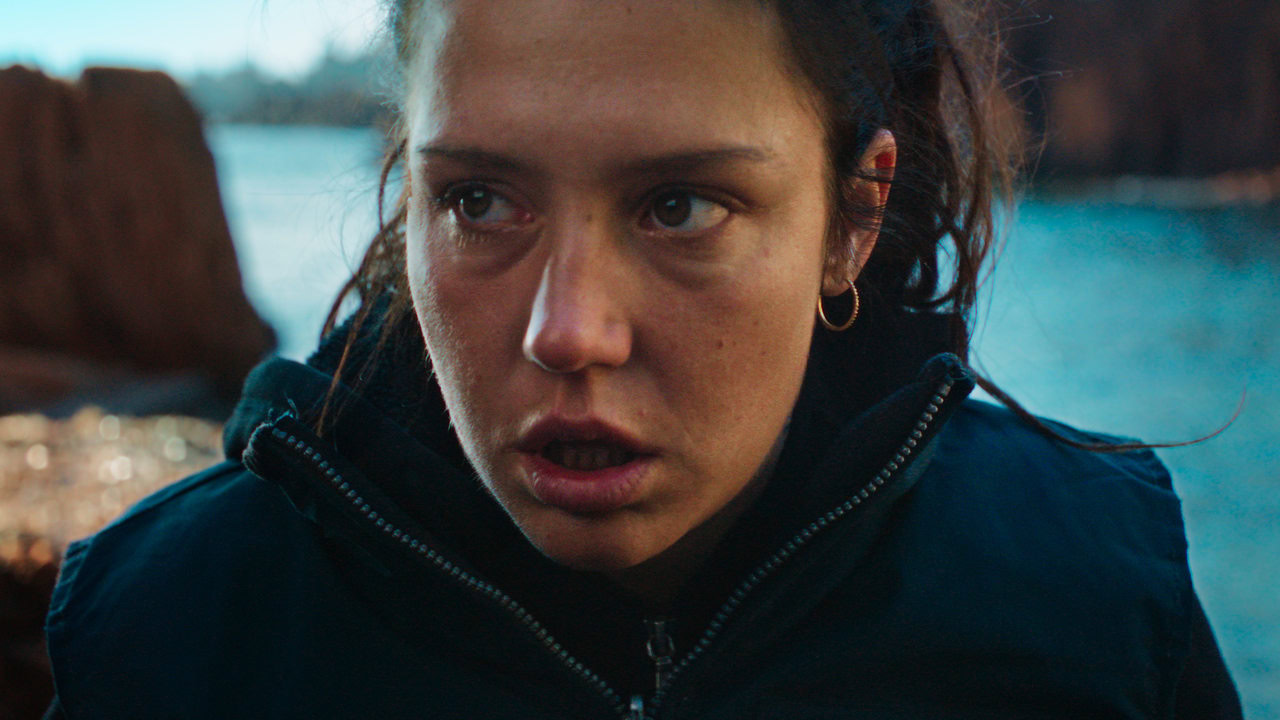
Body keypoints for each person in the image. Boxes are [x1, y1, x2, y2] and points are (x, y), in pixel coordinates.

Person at [42, 0, 1243, 717]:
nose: (566, 331)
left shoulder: (1089, 599)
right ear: (408, 192)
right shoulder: (174, 629)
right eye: (478, 201)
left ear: (852, 217)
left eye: (680, 207)